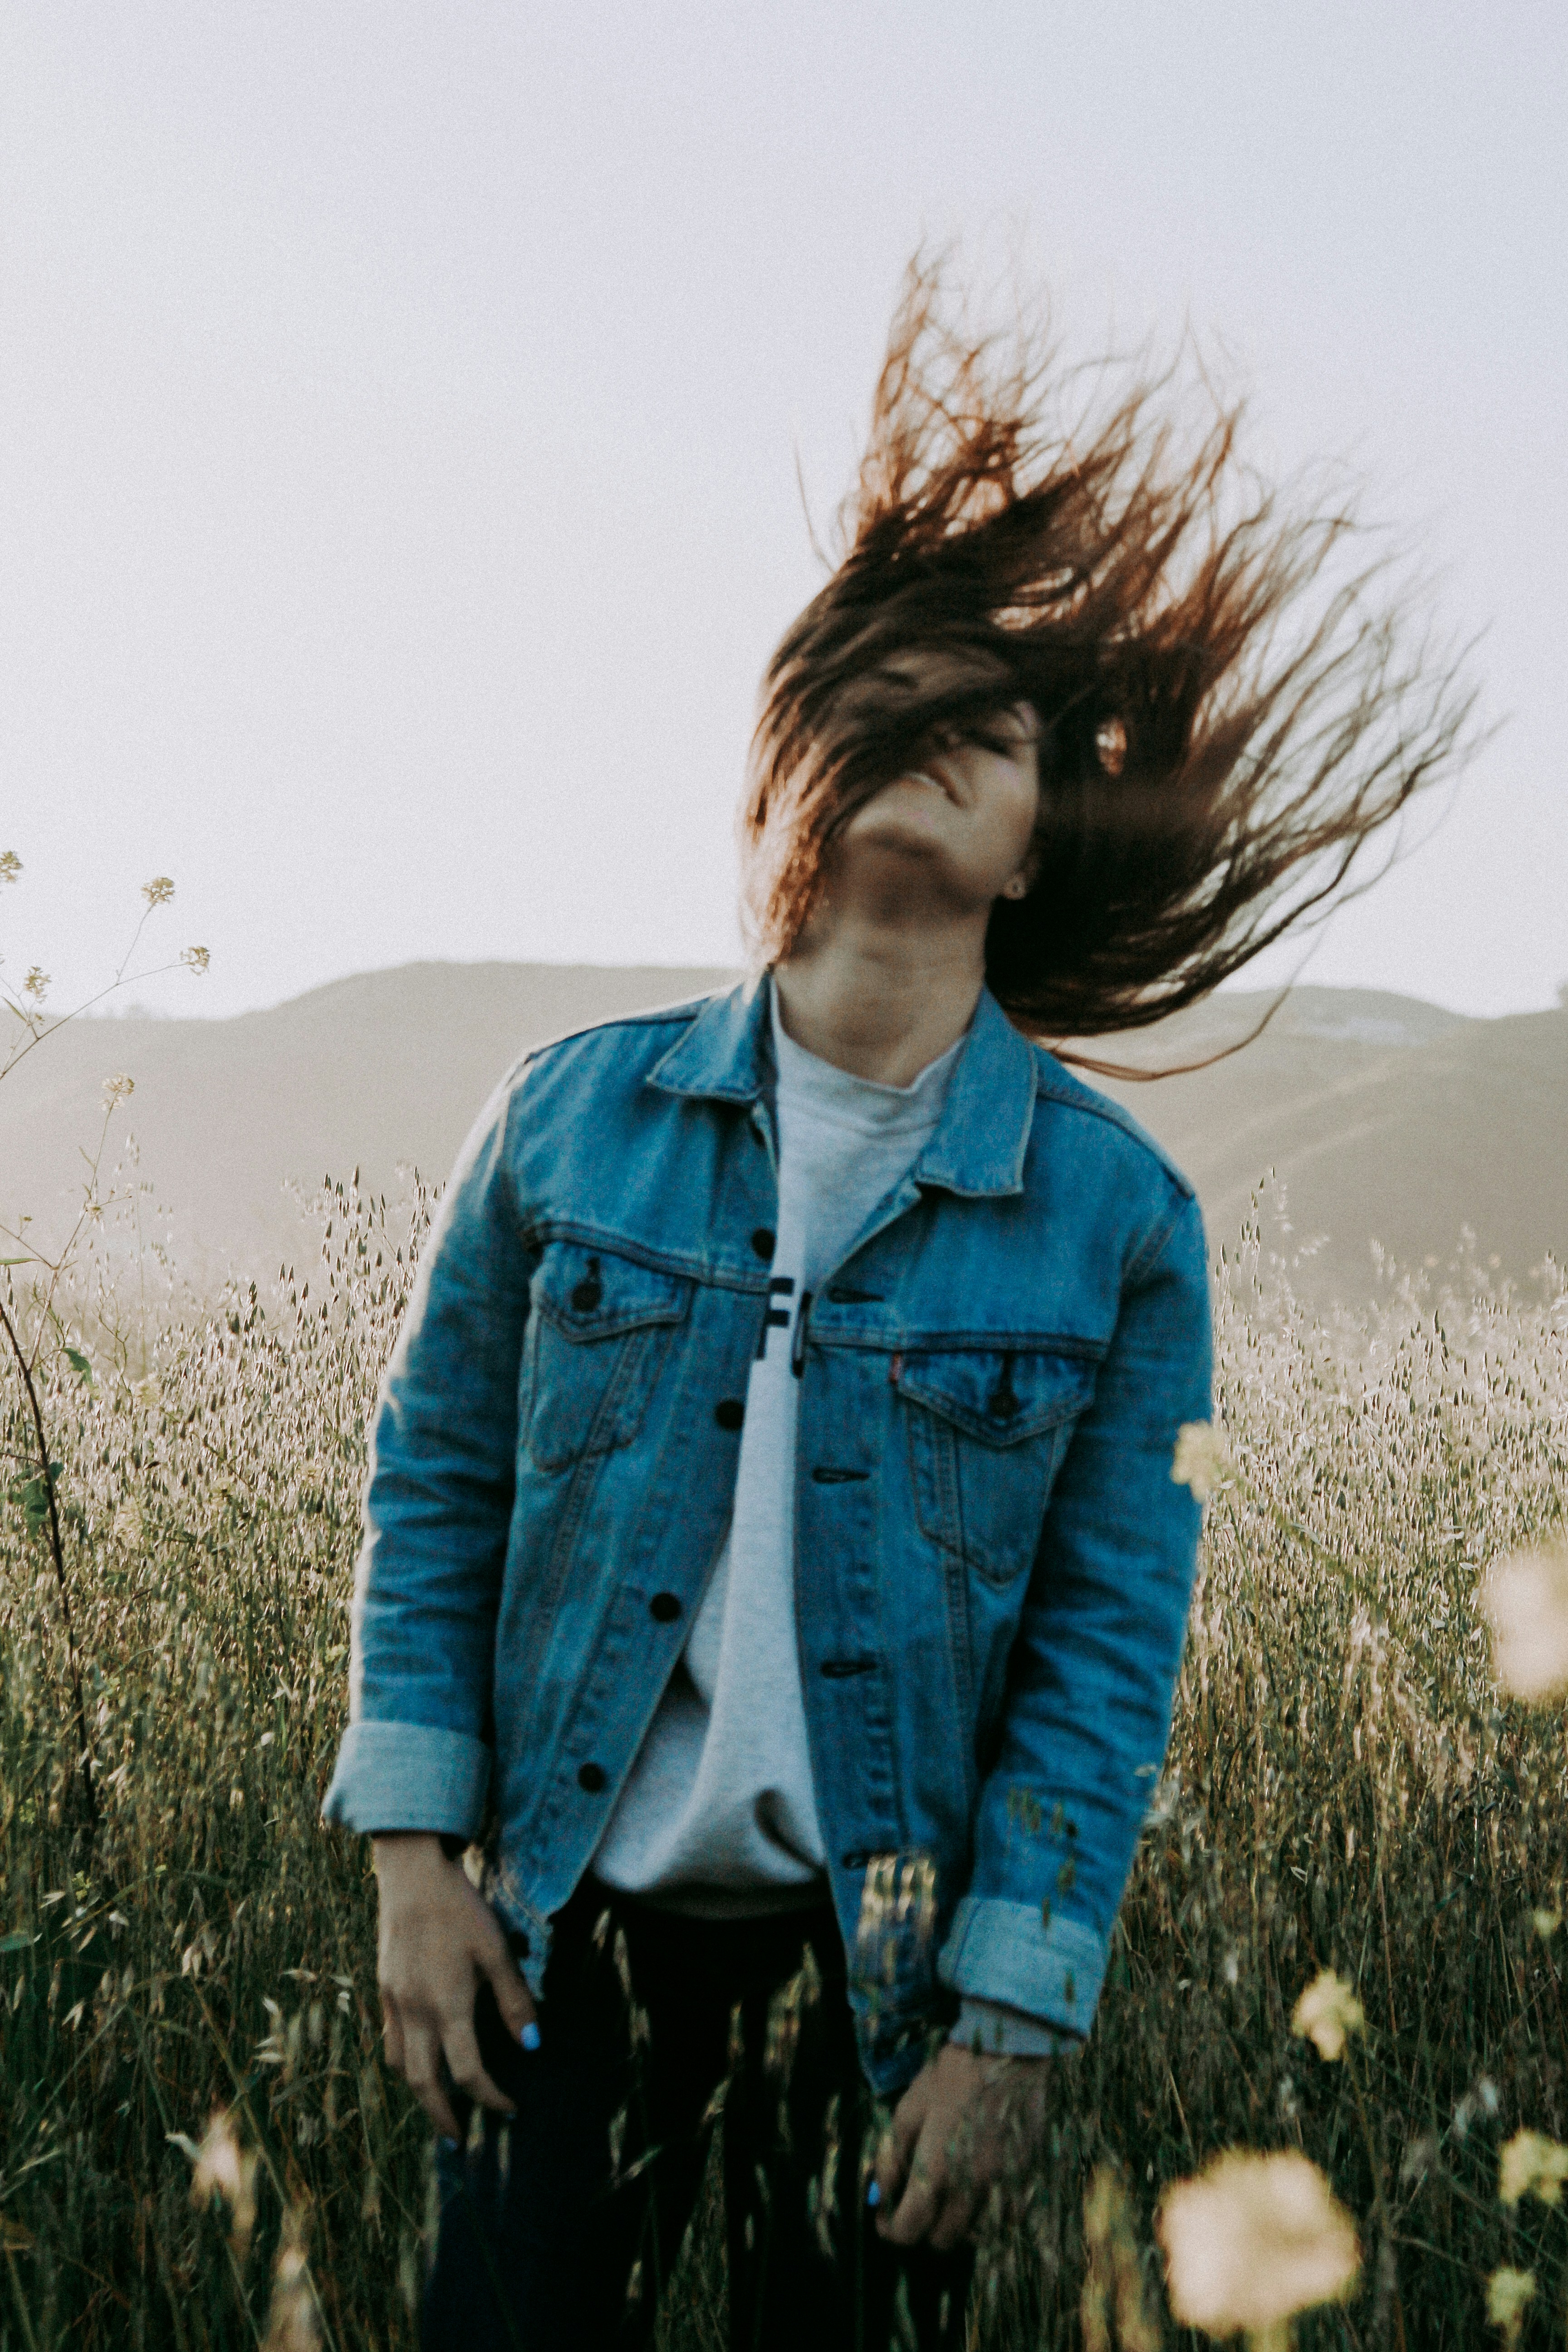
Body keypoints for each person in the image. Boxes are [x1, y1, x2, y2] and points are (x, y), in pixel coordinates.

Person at [322, 258, 1469, 2350]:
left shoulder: (1114, 1224)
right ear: (802, 764)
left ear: (1035, 847)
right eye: (895, 703)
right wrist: (413, 1861)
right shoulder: (569, 1121)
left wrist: (1011, 2019)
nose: (935, 745)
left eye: (990, 731)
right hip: (556, 1917)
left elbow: (1107, 1645)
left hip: (885, 1975)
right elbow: (438, 1478)